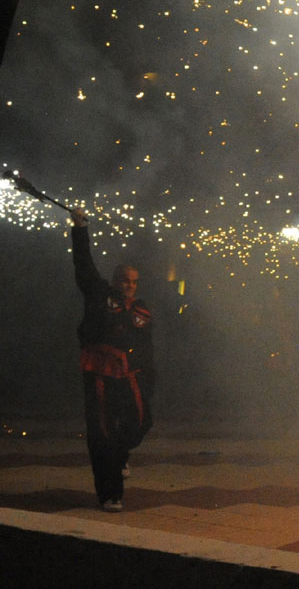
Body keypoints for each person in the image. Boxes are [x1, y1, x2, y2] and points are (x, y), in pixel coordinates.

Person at [70, 208, 155, 511]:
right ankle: (110, 493)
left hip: (130, 374)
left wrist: (149, 379)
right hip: (100, 371)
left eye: (133, 281)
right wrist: (80, 229)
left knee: (142, 421)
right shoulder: (99, 295)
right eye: (123, 279)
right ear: (115, 279)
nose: (128, 285)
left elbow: (146, 346)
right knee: (102, 432)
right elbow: (84, 266)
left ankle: (120, 457)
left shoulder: (141, 309)